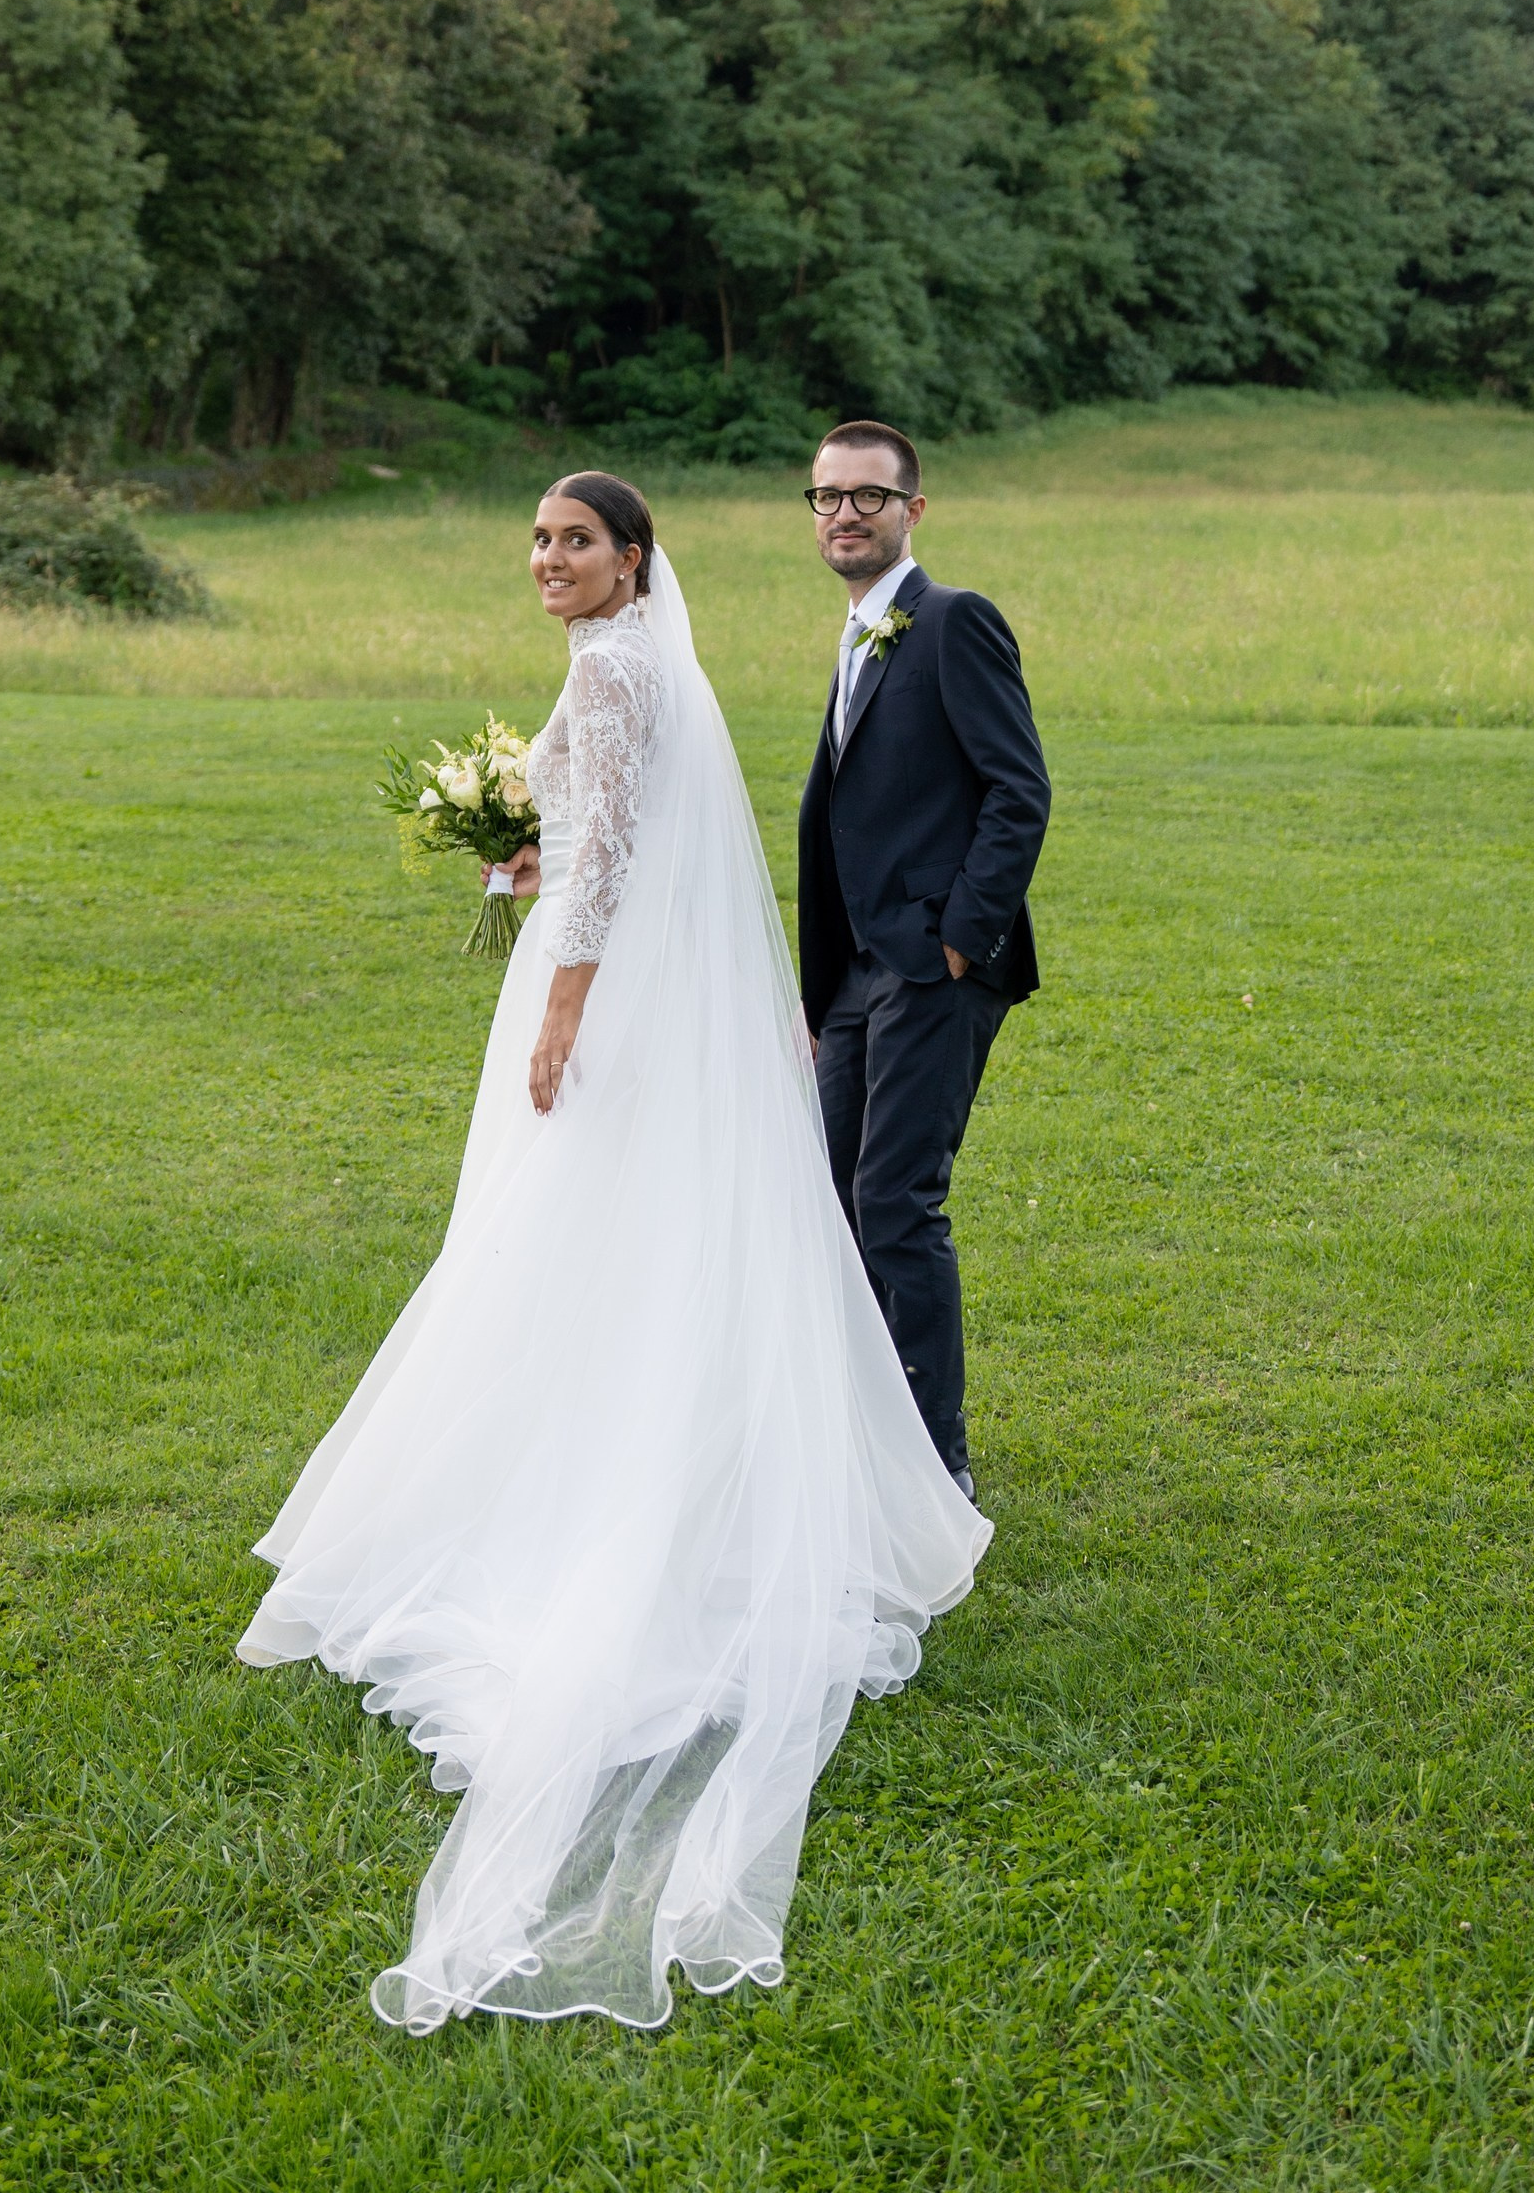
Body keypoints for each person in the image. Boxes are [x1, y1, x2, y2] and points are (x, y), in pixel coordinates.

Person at [238, 472, 989, 2035]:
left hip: (604, 999)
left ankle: (600, 1499)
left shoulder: (621, 665)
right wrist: (519, 864)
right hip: (618, 978)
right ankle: (622, 1449)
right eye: (533, 540)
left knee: (565, 1234)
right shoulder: (635, 661)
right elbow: (601, 837)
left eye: (573, 541)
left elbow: (624, 853)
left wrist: (564, 995)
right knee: (596, 1240)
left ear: (632, 559)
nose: (546, 561)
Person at [797, 421, 1051, 1502]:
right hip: (854, 975)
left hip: (933, 963)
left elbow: (1017, 788)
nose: (845, 513)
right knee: (831, 1199)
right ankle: (866, 1434)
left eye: (868, 496)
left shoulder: (950, 621)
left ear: (913, 508)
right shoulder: (858, 633)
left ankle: (936, 1467)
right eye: (825, 497)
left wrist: (960, 935)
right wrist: (824, 986)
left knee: (896, 1200)